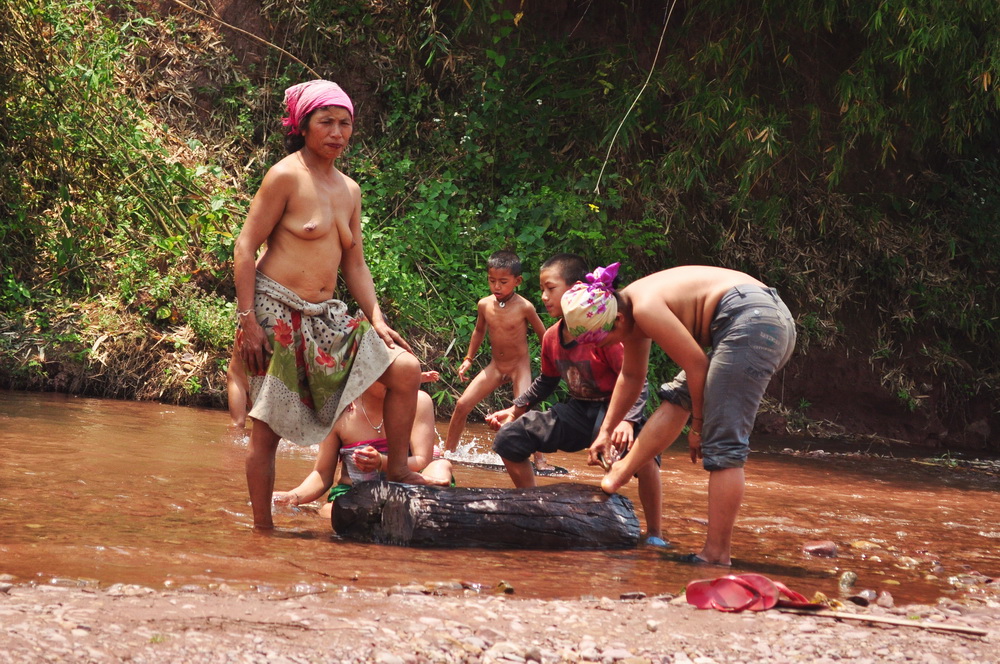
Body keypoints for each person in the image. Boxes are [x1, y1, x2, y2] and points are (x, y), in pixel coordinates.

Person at [233, 79, 432, 530]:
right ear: (303, 126)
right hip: (275, 310)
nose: (337, 133)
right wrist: (249, 322)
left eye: (345, 124)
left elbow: (355, 263)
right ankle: (262, 531)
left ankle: (397, 466)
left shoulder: (350, 190)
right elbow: (245, 249)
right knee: (265, 431)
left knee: (405, 369)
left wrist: (377, 318)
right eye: (326, 122)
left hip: (327, 315)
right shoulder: (285, 175)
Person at [562, 263, 796, 566]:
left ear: (617, 320)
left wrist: (698, 428)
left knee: (722, 441)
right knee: (678, 397)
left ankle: (716, 554)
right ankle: (618, 475)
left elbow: (697, 366)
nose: (604, 347)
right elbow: (631, 377)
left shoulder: (644, 308)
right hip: (761, 318)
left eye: (603, 340)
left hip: (754, 324)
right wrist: (605, 432)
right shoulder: (628, 308)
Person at [485, 254, 665, 546]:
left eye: (550, 288)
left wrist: (628, 422)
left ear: (577, 289)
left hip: (615, 409)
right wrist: (515, 410)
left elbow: (633, 379)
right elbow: (547, 381)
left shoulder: (605, 333)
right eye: (542, 289)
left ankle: (655, 534)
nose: (544, 296)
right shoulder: (552, 337)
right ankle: (534, 508)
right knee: (509, 439)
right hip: (578, 411)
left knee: (643, 459)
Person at [274, 373, 452, 519]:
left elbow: (422, 460)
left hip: (407, 486)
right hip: (354, 493)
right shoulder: (339, 411)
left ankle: (429, 499)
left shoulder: (419, 401)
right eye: (384, 370)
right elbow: (321, 473)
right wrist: (294, 496)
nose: (393, 378)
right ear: (360, 372)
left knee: (441, 466)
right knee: (328, 511)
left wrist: (381, 462)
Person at [443, 250, 547, 462]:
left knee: (525, 411)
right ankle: (448, 452)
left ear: (517, 281)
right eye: (492, 281)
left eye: (503, 282)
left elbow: (544, 335)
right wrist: (468, 359)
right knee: (462, 404)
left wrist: (552, 364)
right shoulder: (484, 304)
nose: (496, 287)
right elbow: (479, 331)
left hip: (519, 368)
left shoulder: (525, 307)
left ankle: (540, 460)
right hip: (496, 366)